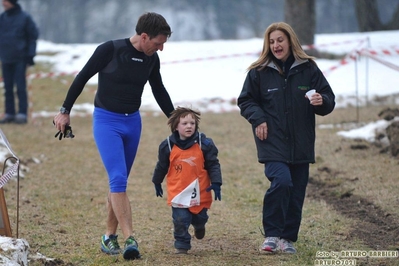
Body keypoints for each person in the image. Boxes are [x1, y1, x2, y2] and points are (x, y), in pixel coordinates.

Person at [53, 12, 175, 260]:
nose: (161, 48)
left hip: (133, 123)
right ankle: (131, 238)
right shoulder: (109, 50)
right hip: (107, 121)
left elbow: (158, 89)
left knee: (118, 183)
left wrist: (174, 118)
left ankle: (109, 236)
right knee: (118, 179)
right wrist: (65, 111)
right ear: (144, 36)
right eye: (158, 42)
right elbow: (82, 77)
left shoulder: (152, 59)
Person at [237, 22, 335, 254]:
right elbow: (246, 101)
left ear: (290, 41)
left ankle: (287, 239)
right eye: (271, 42)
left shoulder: (308, 68)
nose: (275, 45)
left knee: (296, 191)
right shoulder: (259, 72)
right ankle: (271, 235)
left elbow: (328, 98)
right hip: (271, 141)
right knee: (281, 182)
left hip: (301, 143)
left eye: (280, 40)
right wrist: (258, 118)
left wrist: (322, 101)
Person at [152, 107, 222, 255]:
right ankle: (182, 245)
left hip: (200, 191)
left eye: (192, 123)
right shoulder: (168, 146)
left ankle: (199, 225)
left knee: (199, 217)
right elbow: (162, 166)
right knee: (180, 219)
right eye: (184, 123)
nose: (189, 126)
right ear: (176, 126)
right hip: (178, 192)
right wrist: (157, 181)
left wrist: (216, 183)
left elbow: (213, 164)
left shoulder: (205, 144)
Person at [0, 0, 39, 124]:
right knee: (7, 87)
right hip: (5, 58)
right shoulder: (2, 18)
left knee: (21, 87)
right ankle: (9, 113)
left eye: (5, 1)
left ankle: (22, 114)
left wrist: (30, 55)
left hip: (20, 59)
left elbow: (32, 37)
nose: (3, 3)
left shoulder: (25, 18)